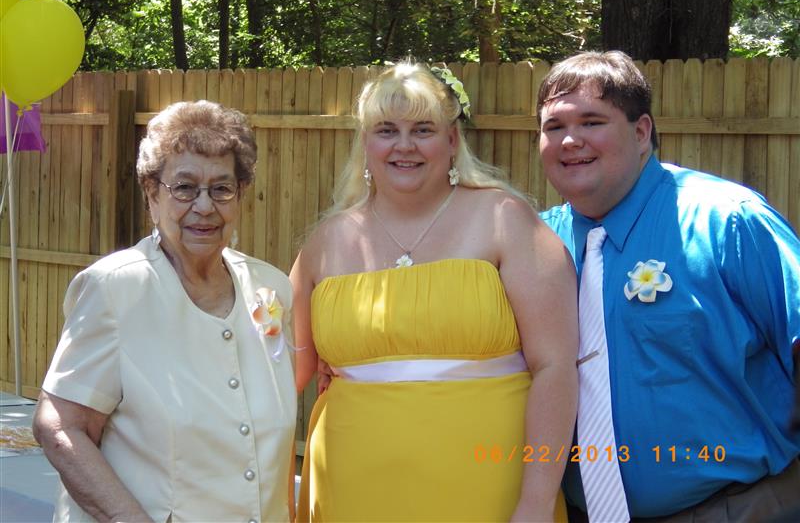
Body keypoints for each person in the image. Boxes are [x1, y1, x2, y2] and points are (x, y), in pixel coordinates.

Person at [291, 62, 579, 522]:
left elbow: (556, 366)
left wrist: (537, 500)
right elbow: (281, 375)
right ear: (365, 143)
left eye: (422, 129)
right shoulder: (328, 240)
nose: (404, 145)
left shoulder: (505, 220)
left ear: (452, 140)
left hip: (489, 486)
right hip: (351, 487)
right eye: (387, 130)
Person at [537, 50, 800, 522]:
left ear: (642, 132)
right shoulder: (536, 245)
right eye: (553, 127)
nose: (570, 140)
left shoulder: (728, 222)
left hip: (738, 508)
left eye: (592, 121)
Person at [33, 101, 296, 522]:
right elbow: (60, 425)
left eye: (222, 188)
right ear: (152, 195)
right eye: (185, 187)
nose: (205, 206)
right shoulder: (116, 289)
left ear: (242, 195)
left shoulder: (270, 289)